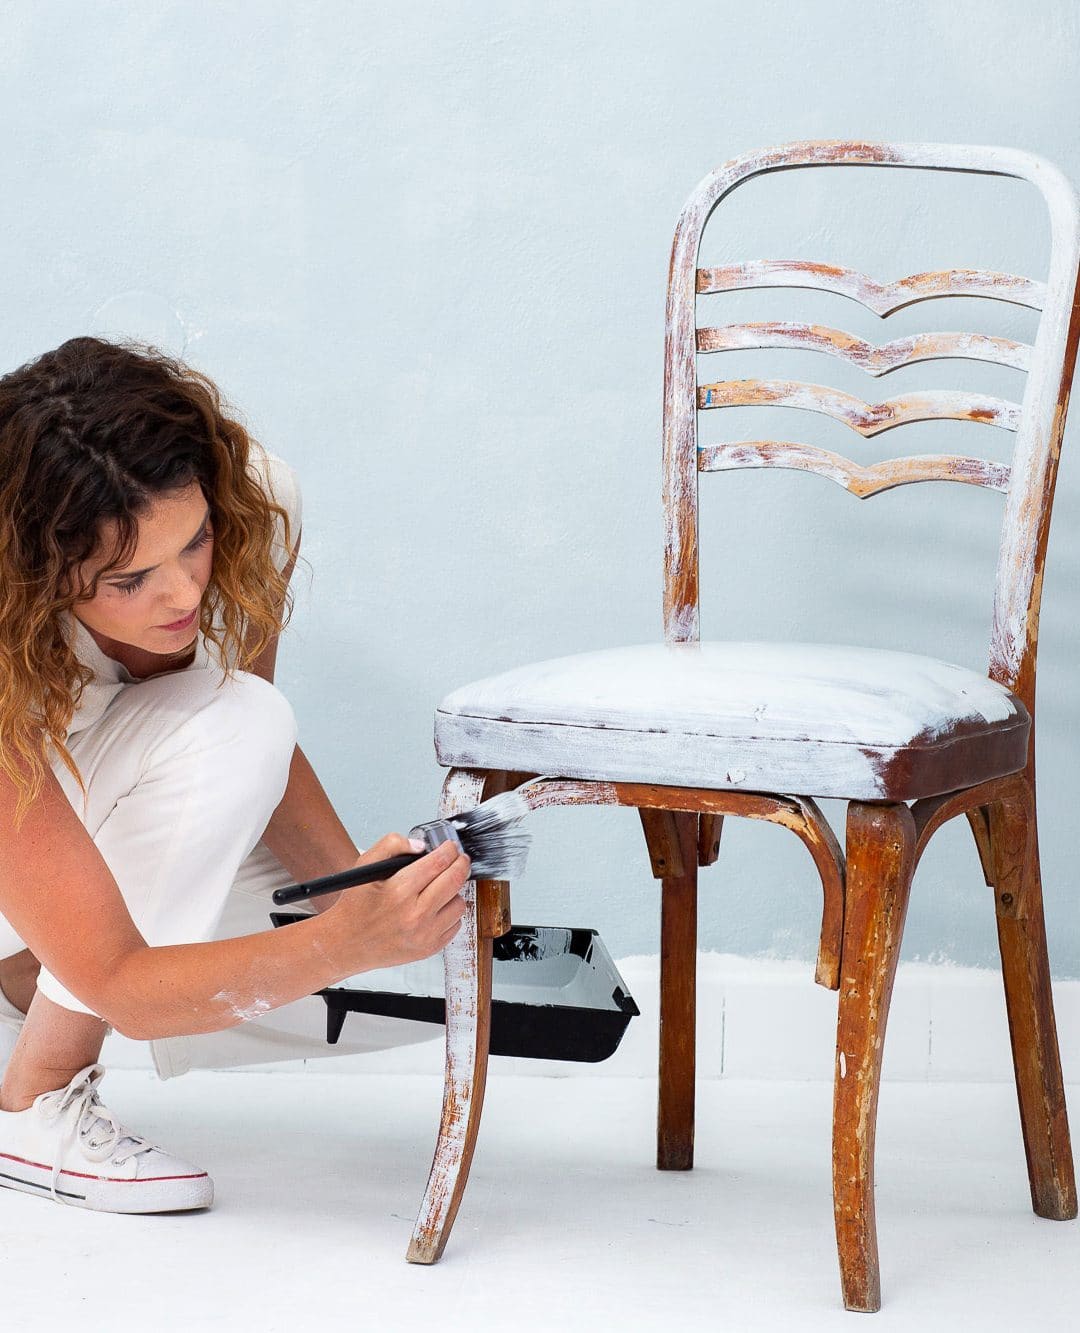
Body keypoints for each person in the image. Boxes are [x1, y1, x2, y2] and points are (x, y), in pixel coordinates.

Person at [0, 336, 469, 1214]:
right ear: (39, 574)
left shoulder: (256, 498)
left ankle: (26, 978)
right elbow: (124, 986)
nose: (183, 594)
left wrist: (352, 892)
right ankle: (35, 1102)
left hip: (67, 825)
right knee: (235, 964)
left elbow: (233, 736)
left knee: (303, 918)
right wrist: (345, 942)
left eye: (196, 542)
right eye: (130, 579)